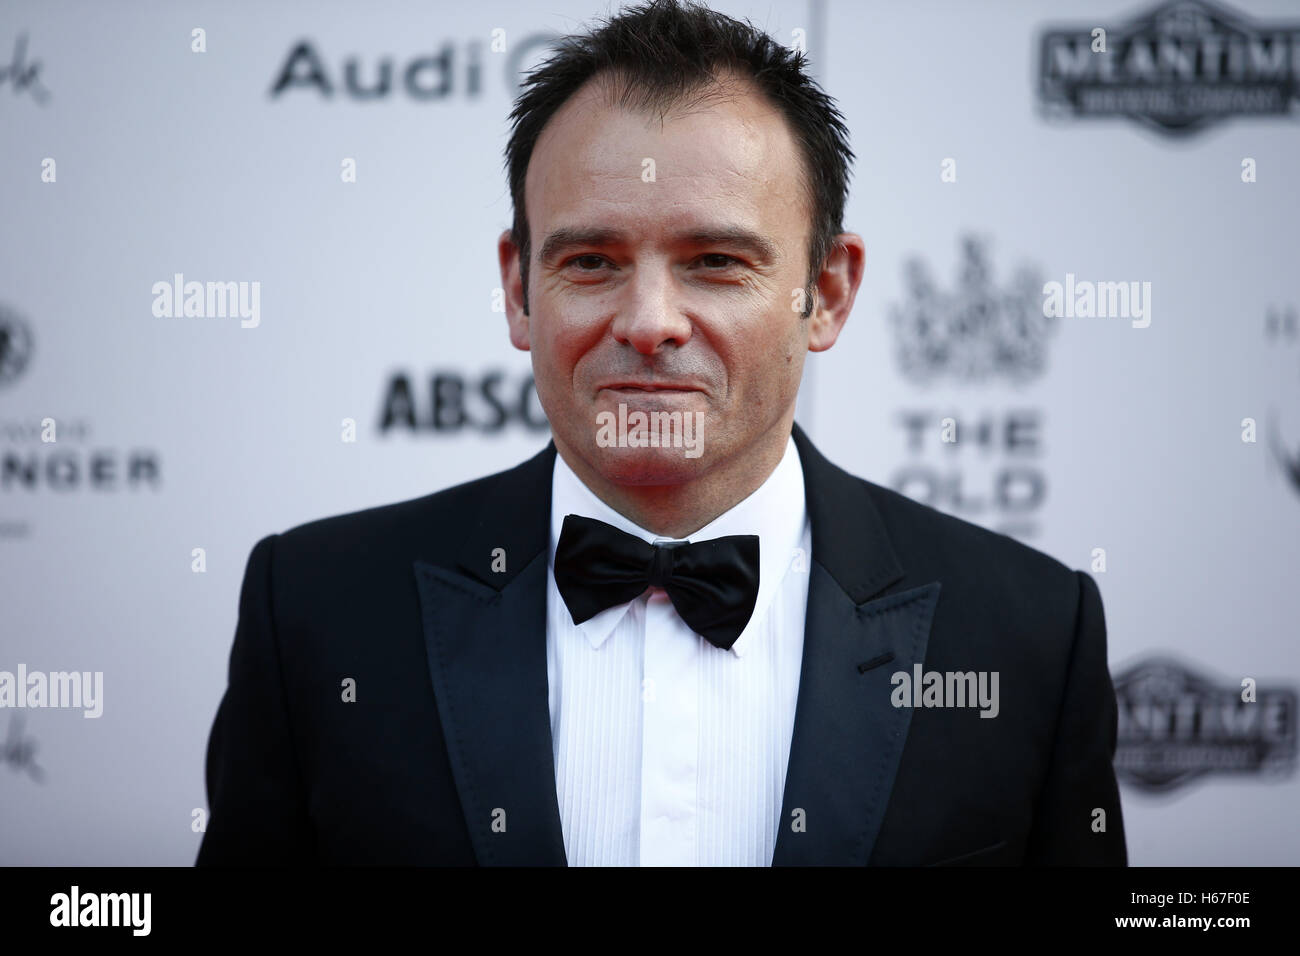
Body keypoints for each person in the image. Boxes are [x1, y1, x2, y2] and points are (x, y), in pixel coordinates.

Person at [197, 0, 1126, 866]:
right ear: (519, 288)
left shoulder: (1028, 635)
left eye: (716, 263)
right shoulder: (318, 612)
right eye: (592, 260)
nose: (650, 320)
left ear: (827, 292)